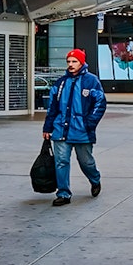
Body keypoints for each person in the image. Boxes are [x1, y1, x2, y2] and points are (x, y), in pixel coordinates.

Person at [42, 49, 106, 206]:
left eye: (74, 61)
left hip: (82, 130)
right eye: (69, 62)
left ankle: (95, 179)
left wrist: (90, 123)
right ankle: (63, 193)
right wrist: (47, 127)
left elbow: (100, 103)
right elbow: (52, 108)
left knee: (86, 161)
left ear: (81, 62)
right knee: (61, 161)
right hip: (60, 129)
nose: (70, 65)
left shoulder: (91, 81)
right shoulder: (60, 83)